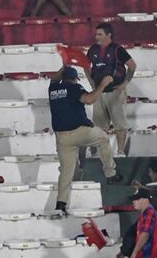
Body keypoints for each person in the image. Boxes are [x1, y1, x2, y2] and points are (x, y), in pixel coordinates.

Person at [47, 66, 121, 214]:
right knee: (104, 138)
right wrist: (103, 85)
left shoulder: (53, 88)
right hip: (80, 132)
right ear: (75, 79)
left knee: (66, 172)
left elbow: (54, 78)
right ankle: (110, 174)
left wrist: (64, 65)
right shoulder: (75, 87)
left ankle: (61, 203)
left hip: (62, 137)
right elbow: (89, 99)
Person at [86, 22, 137, 156]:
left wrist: (125, 83)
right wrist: (91, 82)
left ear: (109, 35)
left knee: (119, 124)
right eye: (96, 34)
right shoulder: (93, 49)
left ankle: (120, 151)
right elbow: (85, 65)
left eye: (99, 34)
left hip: (115, 92)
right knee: (99, 126)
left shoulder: (117, 49)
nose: (96, 37)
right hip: (99, 92)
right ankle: (100, 152)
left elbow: (132, 65)